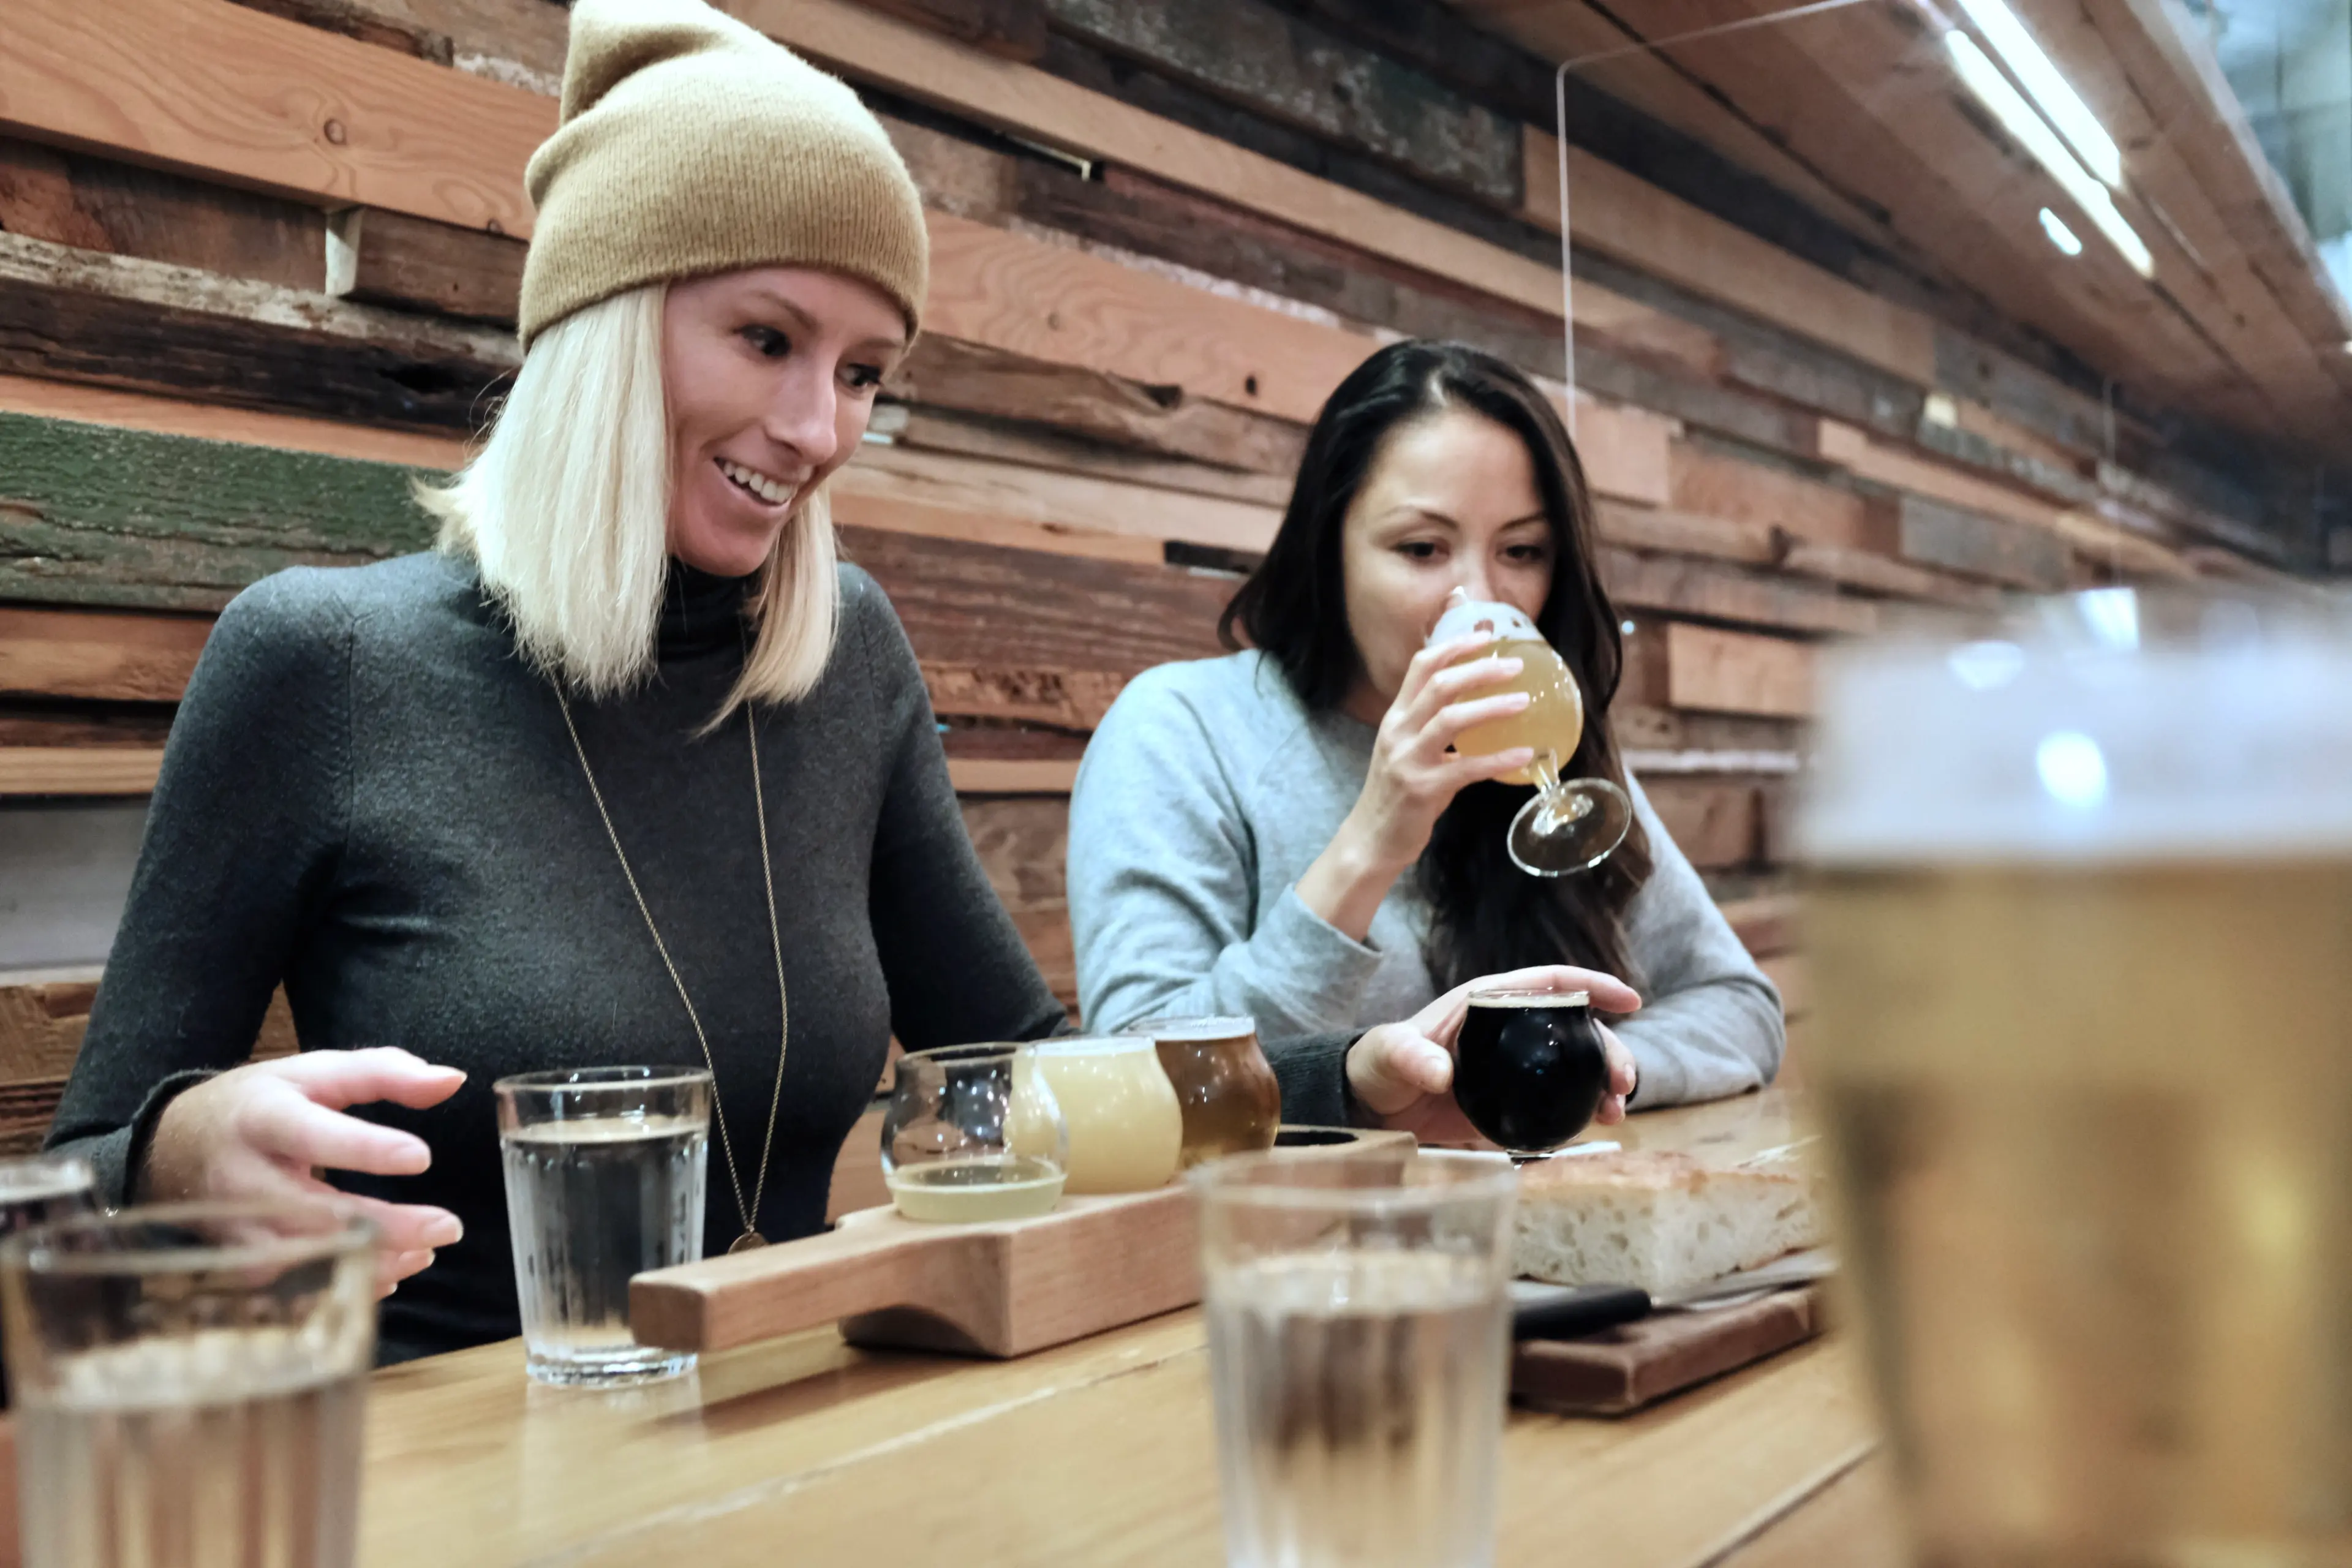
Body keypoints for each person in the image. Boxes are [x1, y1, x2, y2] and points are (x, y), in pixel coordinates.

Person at [43, 0, 1068, 1363]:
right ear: (604, 320)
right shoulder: (323, 665)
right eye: (767, 339)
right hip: (454, 1477)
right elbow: (85, 1176)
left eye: (864, 372)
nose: (820, 427)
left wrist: (1348, 1073)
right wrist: (177, 1157)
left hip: (800, 1447)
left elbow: (1021, 1066)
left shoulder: (845, 655)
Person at [1068, 341, 1783, 1131]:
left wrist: (1591, 1070)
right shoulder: (1184, 732)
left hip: (1522, 1240)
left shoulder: (1537, 747)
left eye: (1521, 552)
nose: (1478, 598)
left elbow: (1740, 1006)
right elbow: (1134, 1077)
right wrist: (1372, 841)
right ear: (1329, 546)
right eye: (1421, 549)